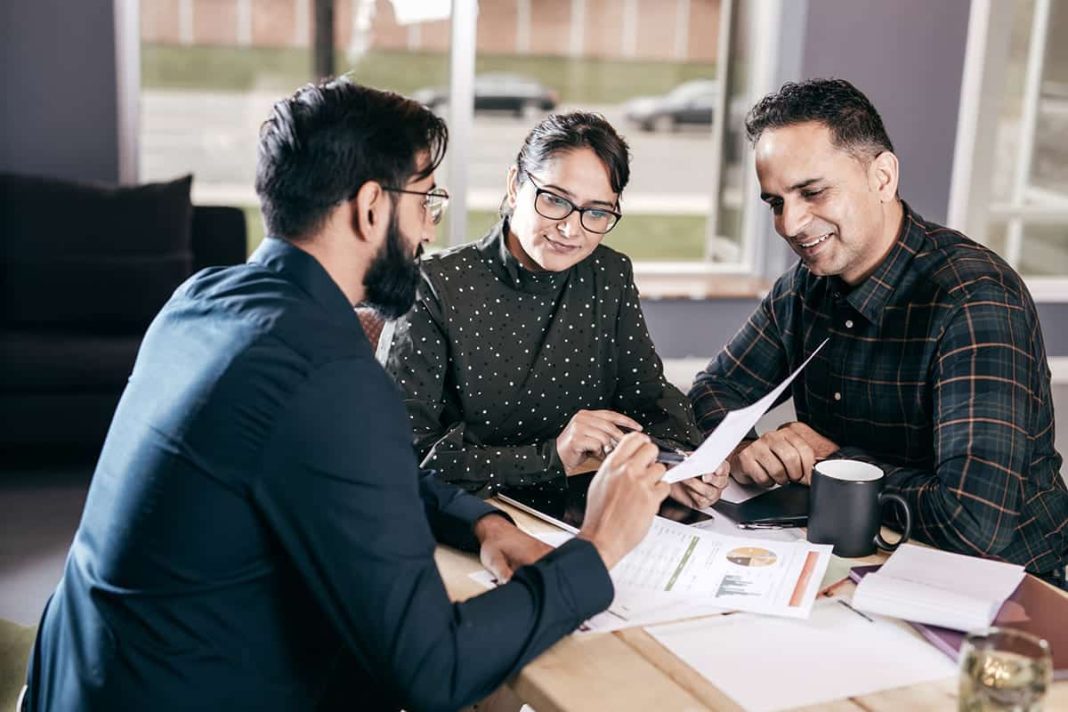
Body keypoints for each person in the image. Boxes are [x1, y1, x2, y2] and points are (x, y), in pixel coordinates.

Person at [22, 79, 675, 712]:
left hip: (83, 678)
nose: (426, 231)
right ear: (370, 207)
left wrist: (483, 522)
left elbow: (358, 470)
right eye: (426, 201)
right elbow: (435, 669)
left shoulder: (203, 299)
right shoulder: (327, 373)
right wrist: (597, 548)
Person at [689, 78, 1068, 584]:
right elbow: (714, 390)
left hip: (1007, 592)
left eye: (813, 191)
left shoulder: (974, 300)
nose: (791, 223)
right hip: (866, 565)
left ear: (883, 177)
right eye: (776, 202)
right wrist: (744, 449)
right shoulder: (805, 287)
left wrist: (835, 466)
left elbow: (974, 522)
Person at [385, 112, 728, 510]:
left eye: (597, 212)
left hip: (584, 507)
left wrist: (679, 465)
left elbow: (650, 399)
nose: (571, 229)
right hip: (467, 514)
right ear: (515, 186)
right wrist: (553, 456)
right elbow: (407, 457)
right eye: (554, 200)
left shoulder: (609, 273)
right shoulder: (434, 285)